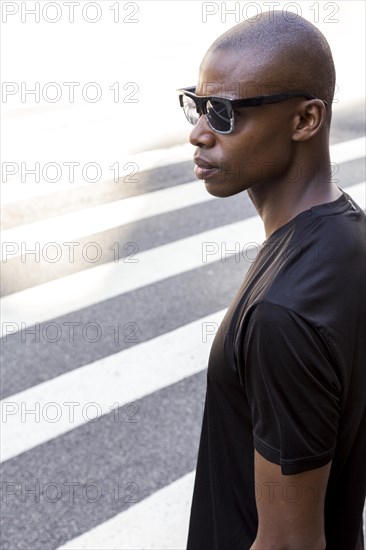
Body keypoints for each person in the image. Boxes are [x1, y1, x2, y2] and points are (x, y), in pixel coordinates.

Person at [177, 10, 366, 550]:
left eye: (224, 113)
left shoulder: (283, 313)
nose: (198, 133)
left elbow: (289, 543)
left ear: (305, 120)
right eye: (196, 102)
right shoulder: (347, 235)